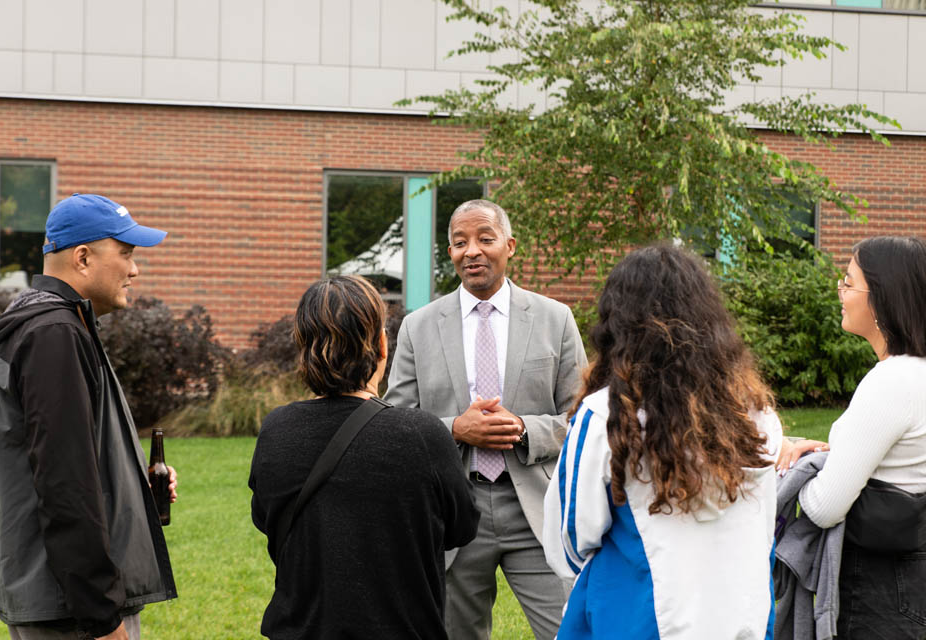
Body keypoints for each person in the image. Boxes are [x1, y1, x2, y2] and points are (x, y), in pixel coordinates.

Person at [543, 244, 783, 639]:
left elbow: (568, 541)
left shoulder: (605, 416)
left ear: (617, 323)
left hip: (641, 620)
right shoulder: (756, 416)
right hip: (742, 621)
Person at [385, 199, 588, 640]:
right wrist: (455, 429)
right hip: (453, 512)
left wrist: (523, 430)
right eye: (459, 243)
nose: (471, 251)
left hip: (536, 510)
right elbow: (395, 424)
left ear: (510, 246)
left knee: (571, 631)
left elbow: (582, 420)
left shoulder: (556, 320)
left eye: (484, 239)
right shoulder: (418, 328)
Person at [249, 275, 479, 639]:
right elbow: (463, 526)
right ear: (382, 347)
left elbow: (265, 518)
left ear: (303, 347)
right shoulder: (423, 434)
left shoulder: (276, 429)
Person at [0, 193, 177, 640]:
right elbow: (65, 487)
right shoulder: (54, 334)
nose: (135, 270)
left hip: (62, 600)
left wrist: (134, 478)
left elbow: (64, 457)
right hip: (72, 612)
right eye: (127, 254)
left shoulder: (51, 324)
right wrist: (101, 616)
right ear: (82, 257)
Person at [775, 236, 926, 638]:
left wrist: (798, 473)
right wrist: (831, 456)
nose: (840, 290)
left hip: (878, 589)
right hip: (918, 575)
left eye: (849, 281)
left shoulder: (892, 381)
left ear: (885, 297)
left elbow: (825, 507)